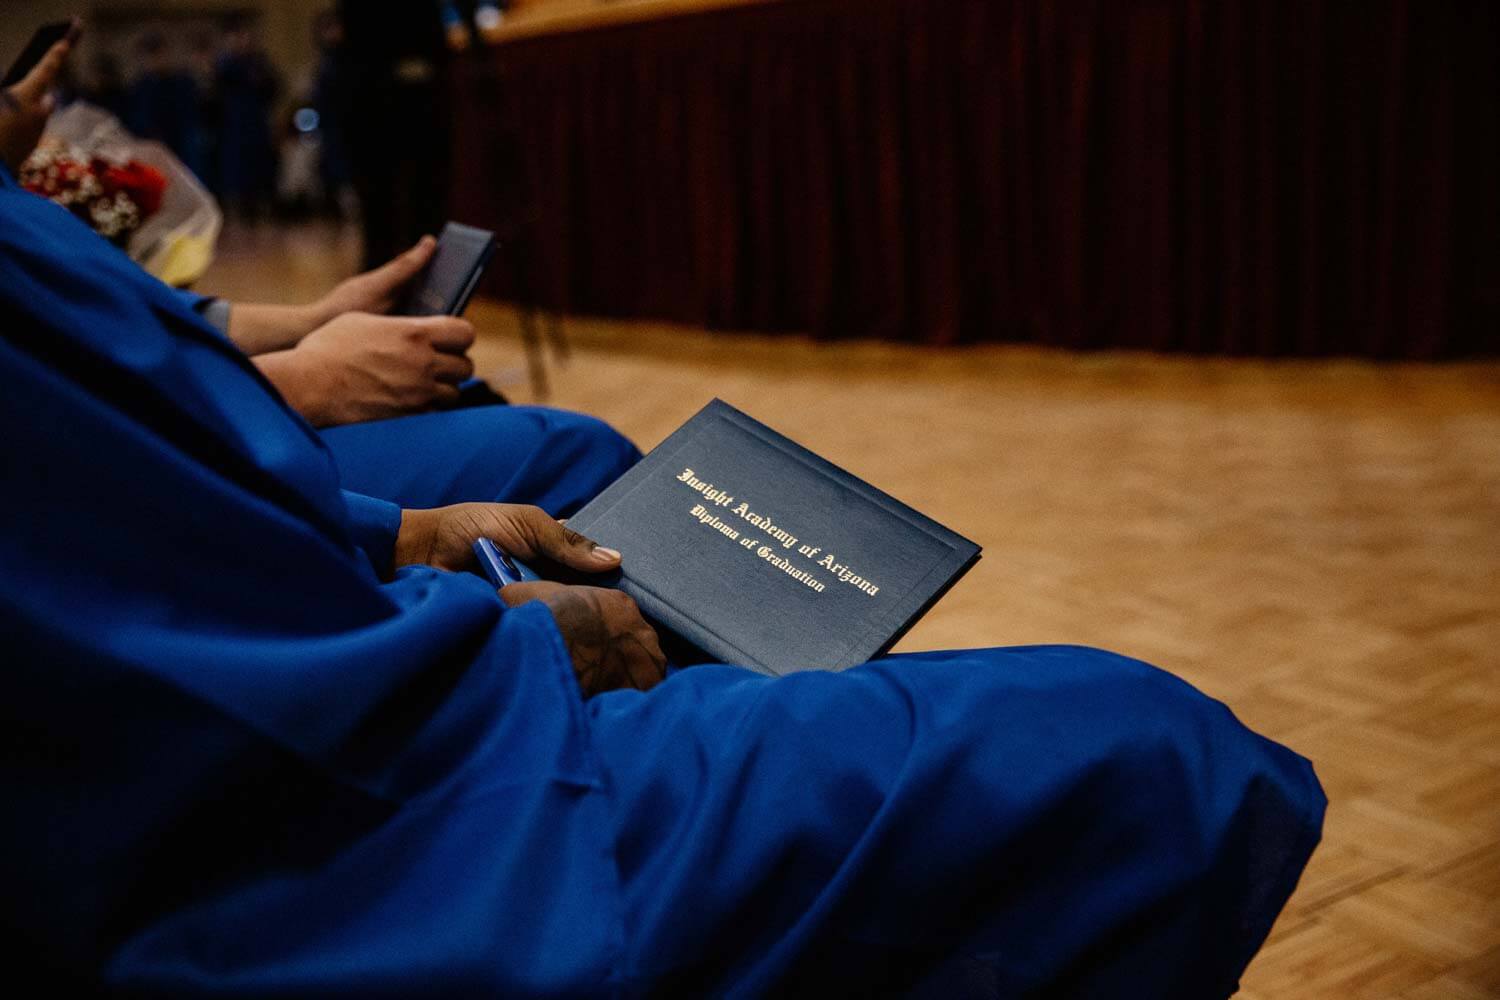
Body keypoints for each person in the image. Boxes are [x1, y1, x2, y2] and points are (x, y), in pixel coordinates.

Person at [1, 33, 1324, 996]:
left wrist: (402, 535)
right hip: (343, 854)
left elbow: (163, 523)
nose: (47, 81)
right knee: (1147, 758)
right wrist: (500, 619)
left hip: (307, 711)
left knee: (587, 476)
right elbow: (212, 678)